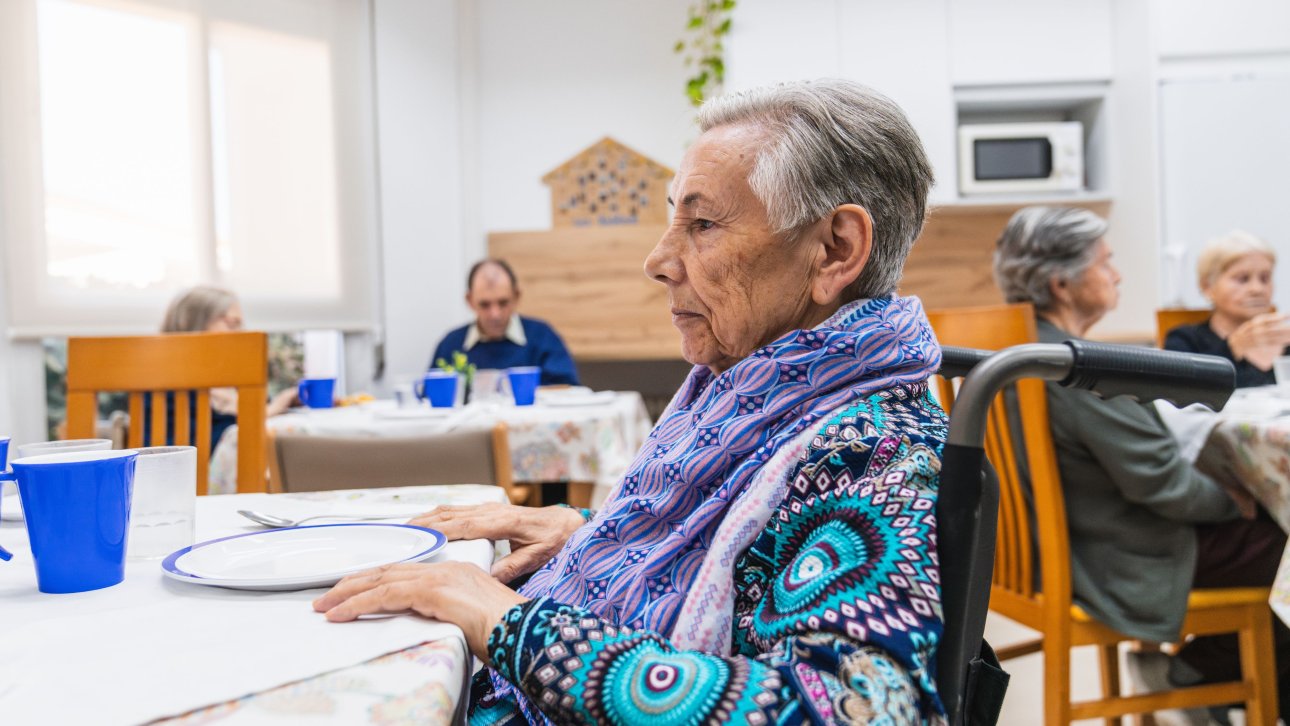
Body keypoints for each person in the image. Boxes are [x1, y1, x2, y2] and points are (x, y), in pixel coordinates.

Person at [313, 80, 951, 723]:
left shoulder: (875, 447)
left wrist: (508, 622)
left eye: (701, 223)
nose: (658, 259)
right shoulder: (756, 387)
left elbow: (863, 711)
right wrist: (594, 537)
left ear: (834, 249)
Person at [993, 206, 1290, 716]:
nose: (1118, 274)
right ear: (1063, 284)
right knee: (1280, 544)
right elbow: (1165, 485)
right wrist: (1236, 502)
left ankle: (1207, 673)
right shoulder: (1074, 368)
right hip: (1120, 557)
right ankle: (1198, 671)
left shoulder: (1020, 348)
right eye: (1106, 263)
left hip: (1068, 545)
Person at [159, 286, 298, 449]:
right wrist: (265, 413)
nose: (241, 333)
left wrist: (284, 404)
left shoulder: (234, 378)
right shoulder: (164, 384)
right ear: (191, 324)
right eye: (232, 324)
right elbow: (188, 450)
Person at [1164, 231, 1290, 387]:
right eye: (1242, 279)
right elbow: (1179, 395)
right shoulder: (1184, 340)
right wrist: (1231, 349)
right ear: (1207, 286)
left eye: (1265, 278)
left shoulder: (1286, 341)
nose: (1257, 289)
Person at [431, 259, 579, 386]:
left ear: (516, 296)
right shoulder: (451, 345)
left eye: (503, 303)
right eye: (485, 304)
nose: (495, 314)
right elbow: (430, 396)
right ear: (470, 301)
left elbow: (567, 388)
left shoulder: (542, 336)